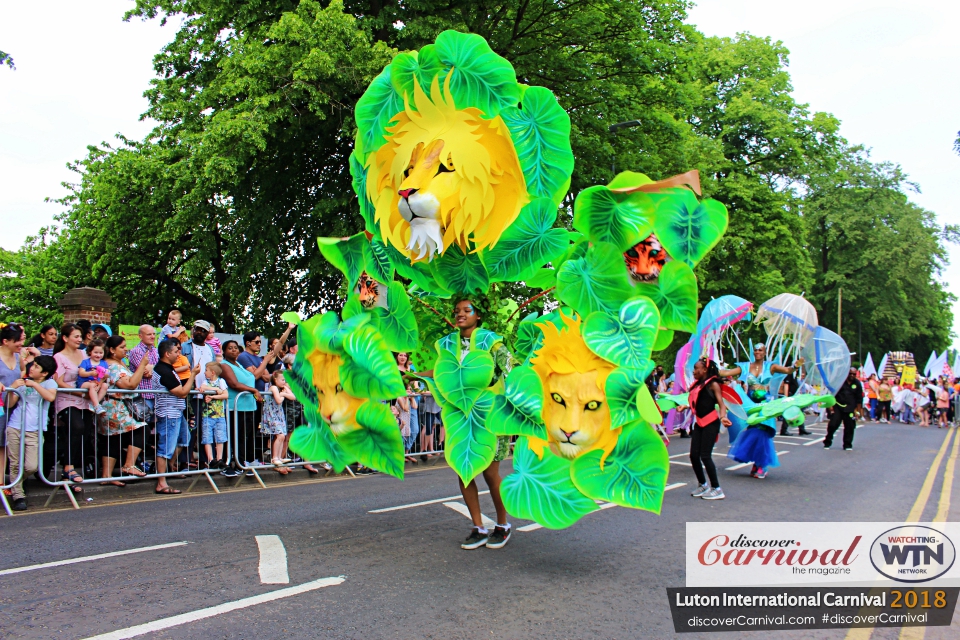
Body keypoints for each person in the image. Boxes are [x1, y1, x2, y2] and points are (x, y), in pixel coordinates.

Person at [414, 297, 513, 550]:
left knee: (491, 474)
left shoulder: (493, 342)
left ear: (478, 315)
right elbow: (440, 371)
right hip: (460, 415)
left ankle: (502, 525)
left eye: (467, 310)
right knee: (464, 469)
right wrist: (408, 374)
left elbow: (512, 370)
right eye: (457, 311)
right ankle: (478, 527)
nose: (460, 314)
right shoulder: (448, 344)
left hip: (489, 414)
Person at [720, 344, 803, 479]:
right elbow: (725, 373)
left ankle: (761, 465)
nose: (757, 352)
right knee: (753, 431)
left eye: (760, 350)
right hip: (751, 404)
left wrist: (796, 366)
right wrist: (712, 365)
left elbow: (788, 370)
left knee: (762, 432)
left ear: (765, 353)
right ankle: (757, 463)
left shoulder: (771, 366)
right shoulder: (745, 367)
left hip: (766, 405)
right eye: (756, 350)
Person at [4, 356, 57, 510]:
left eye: (36, 367)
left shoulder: (49, 383)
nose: (31, 368)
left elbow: (50, 396)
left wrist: (34, 384)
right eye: (32, 365)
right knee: (15, 463)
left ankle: (15, 483)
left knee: (31, 466)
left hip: (34, 429)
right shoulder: (22, 382)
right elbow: (10, 404)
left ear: (44, 373)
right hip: (15, 426)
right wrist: (13, 387)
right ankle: (18, 496)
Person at [98, 336, 152, 485]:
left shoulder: (119, 363)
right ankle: (129, 465)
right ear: (112, 350)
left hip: (115, 407)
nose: (125, 349)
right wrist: (142, 365)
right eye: (122, 347)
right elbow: (129, 385)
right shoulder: (112, 366)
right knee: (142, 429)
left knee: (113, 440)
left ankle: (106, 476)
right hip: (116, 407)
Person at [152, 339, 200, 494]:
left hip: (176, 412)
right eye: (176, 352)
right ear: (167, 354)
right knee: (165, 447)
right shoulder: (163, 370)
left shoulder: (169, 369)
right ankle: (161, 482)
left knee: (183, 439)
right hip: (168, 413)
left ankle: (168, 469)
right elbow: (181, 392)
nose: (178, 354)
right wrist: (192, 375)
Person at [52, 323, 92, 493]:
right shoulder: (59, 357)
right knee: (76, 426)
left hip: (85, 399)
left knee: (85, 431)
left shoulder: (84, 354)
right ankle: (68, 468)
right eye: (75, 336)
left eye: (80, 336)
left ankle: (69, 472)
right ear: (65, 338)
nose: (79, 339)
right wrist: (79, 393)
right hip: (67, 398)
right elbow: (59, 381)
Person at [688, 359, 731, 501]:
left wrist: (723, 417)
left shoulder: (713, 384)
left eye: (696, 368)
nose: (694, 371)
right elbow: (698, 402)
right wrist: (684, 406)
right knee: (694, 456)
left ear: (705, 370)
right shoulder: (697, 385)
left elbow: (721, 403)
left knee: (705, 456)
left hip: (710, 423)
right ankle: (703, 484)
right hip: (699, 423)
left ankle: (717, 489)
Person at [219, 340, 263, 477]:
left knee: (246, 436)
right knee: (235, 436)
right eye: (230, 348)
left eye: (236, 348)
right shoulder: (224, 365)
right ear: (224, 351)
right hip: (235, 407)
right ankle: (231, 463)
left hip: (248, 406)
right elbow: (234, 384)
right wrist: (254, 390)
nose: (233, 350)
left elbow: (252, 377)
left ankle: (242, 462)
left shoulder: (239, 364)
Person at [262, 370, 294, 472]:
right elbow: (278, 400)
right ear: (275, 379)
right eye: (282, 379)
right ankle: (275, 457)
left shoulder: (281, 388)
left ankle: (280, 457)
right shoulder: (273, 387)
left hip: (279, 414)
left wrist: (285, 391)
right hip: (271, 414)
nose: (284, 381)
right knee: (279, 435)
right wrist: (283, 394)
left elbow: (293, 397)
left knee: (283, 435)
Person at [199, 362, 229, 469]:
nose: (204, 372)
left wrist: (213, 397)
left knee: (220, 437)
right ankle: (211, 459)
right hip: (207, 415)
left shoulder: (221, 381)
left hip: (219, 415)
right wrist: (216, 390)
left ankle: (219, 458)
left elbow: (225, 394)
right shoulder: (205, 382)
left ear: (212, 372)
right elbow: (202, 388)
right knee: (207, 437)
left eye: (206, 370)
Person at [128, 325, 159, 424]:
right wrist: (156, 368)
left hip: (156, 393)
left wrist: (152, 367)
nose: (153, 336)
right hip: (144, 394)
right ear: (140, 336)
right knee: (145, 424)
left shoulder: (155, 350)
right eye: (149, 334)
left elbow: (162, 370)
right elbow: (146, 373)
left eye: (154, 334)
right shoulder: (136, 351)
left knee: (156, 425)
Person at [824, 368, 861, 450]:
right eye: (850, 373)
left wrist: (858, 412)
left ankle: (847, 444)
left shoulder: (857, 384)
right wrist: (830, 406)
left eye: (854, 374)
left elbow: (859, 399)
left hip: (850, 408)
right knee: (833, 424)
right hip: (838, 406)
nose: (852, 375)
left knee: (850, 426)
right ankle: (828, 441)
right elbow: (832, 394)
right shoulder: (840, 382)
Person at [77, 339, 109, 415]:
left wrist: (100, 383)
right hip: (84, 382)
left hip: (97, 382)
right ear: (90, 352)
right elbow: (81, 373)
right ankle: (96, 405)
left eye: (101, 353)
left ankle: (95, 404)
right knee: (92, 385)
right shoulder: (85, 362)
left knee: (105, 385)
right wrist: (90, 373)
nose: (98, 355)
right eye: (96, 352)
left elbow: (106, 375)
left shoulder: (104, 363)